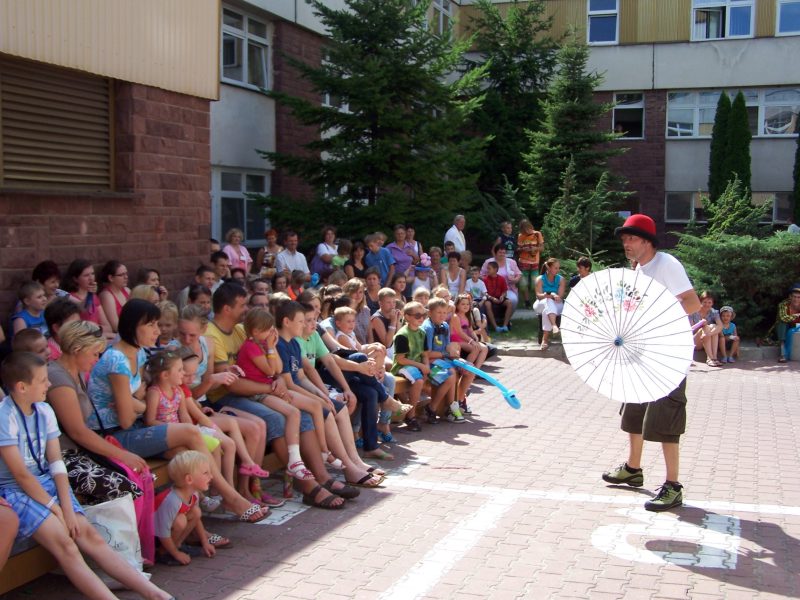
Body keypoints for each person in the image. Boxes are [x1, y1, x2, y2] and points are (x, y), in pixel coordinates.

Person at [0, 352, 173, 599]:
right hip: (16, 490)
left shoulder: (44, 410)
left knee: (90, 535)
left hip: (46, 482)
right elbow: (20, 475)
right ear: (21, 387)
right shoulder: (4, 416)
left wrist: (67, 508)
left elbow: (56, 463)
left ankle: (154, 594)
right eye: (43, 380)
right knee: (66, 545)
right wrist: (56, 509)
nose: (49, 384)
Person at [87, 299, 268, 523]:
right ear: (134, 326)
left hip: (136, 426)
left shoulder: (139, 354)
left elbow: (140, 399)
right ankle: (231, 498)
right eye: (151, 325)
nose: (158, 331)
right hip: (113, 436)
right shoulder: (116, 360)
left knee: (185, 453)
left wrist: (134, 403)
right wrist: (137, 405)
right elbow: (126, 419)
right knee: (190, 432)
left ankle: (193, 525)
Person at [205, 283, 352, 509]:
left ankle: (321, 477)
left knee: (303, 415)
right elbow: (232, 384)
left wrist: (276, 381)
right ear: (227, 308)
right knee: (276, 418)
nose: (246, 309)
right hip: (224, 398)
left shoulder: (241, 329)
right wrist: (270, 387)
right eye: (242, 305)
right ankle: (307, 486)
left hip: (258, 390)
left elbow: (271, 367)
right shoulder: (212, 335)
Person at [602, 213, 701, 512]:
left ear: (647, 241)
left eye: (631, 238)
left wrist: (658, 317)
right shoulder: (638, 270)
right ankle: (633, 469)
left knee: (665, 417)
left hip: (668, 356)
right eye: (624, 239)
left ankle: (673, 486)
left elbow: (692, 303)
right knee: (634, 410)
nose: (626, 244)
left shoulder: (666, 264)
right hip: (642, 353)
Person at [177, 305, 279, 508]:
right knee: (244, 431)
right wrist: (213, 380)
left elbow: (207, 385)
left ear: (203, 330)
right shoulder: (175, 351)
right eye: (182, 334)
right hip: (190, 408)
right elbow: (187, 393)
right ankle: (236, 493)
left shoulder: (207, 343)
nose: (187, 339)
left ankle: (250, 487)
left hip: (204, 404)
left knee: (258, 426)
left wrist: (226, 374)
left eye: (192, 335)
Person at [154, 450, 216, 565]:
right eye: (206, 473)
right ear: (189, 479)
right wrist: (176, 555)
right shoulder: (172, 500)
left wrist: (205, 542)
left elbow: (197, 520)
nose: (211, 476)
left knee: (196, 512)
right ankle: (163, 553)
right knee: (180, 521)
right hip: (155, 538)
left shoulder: (194, 494)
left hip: (165, 534)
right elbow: (162, 533)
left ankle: (177, 546)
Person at [420, 298, 463, 423]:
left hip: (442, 360)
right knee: (451, 375)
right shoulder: (428, 328)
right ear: (430, 313)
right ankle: (434, 408)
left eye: (445, 312)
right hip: (428, 363)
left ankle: (458, 402)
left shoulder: (445, 326)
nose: (442, 315)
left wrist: (454, 353)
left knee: (467, 369)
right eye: (439, 312)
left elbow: (447, 346)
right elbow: (427, 354)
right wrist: (446, 354)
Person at [390, 302, 429, 432]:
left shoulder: (422, 332)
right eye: (417, 315)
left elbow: (425, 354)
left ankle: (434, 408)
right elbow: (401, 359)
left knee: (443, 375)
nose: (421, 318)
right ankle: (411, 416)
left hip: (417, 365)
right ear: (407, 316)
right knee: (418, 381)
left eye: (424, 315)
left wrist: (426, 366)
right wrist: (421, 366)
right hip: (402, 366)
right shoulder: (402, 335)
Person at [449, 294, 488, 414]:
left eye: (467, 304)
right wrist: (471, 341)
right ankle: (466, 368)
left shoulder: (467, 315)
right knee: (475, 349)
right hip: (456, 340)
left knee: (484, 348)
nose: (465, 306)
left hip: (465, 339)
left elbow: (470, 330)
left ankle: (476, 371)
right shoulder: (455, 316)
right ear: (457, 305)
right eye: (463, 304)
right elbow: (459, 332)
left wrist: (475, 338)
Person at [61, 259, 112, 336]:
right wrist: (97, 329)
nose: (91, 278)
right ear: (75, 279)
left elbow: (108, 327)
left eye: (92, 274)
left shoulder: (94, 297)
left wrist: (96, 329)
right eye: (86, 275)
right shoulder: (70, 298)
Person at [534, 258, 566, 351]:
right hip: (540, 304)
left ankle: (545, 340)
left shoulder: (561, 280)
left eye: (558, 268)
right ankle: (554, 325)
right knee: (548, 301)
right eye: (555, 268)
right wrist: (550, 295)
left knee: (547, 310)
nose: (558, 270)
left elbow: (560, 297)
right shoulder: (540, 279)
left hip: (557, 305)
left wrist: (552, 296)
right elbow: (539, 296)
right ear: (549, 268)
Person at [480, 244, 522, 313]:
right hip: (490, 289)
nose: (502, 254)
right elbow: (481, 275)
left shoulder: (511, 262)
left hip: (508, 289)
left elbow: (519, 274)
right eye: (500, 252)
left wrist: (515, 280)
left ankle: (508, 316)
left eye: (504, 253)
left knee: (513, 300)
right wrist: (488, 280)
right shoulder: (488, 262)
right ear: (495, 253)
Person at [689, 291, 721, 367]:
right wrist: (700, 324)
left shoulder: (714, 312)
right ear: (700, 302)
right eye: (705, 302)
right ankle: (710, 359)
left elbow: (720, 326)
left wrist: (708, 334)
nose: (707, 305)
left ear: (712, 303)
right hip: (695, 340)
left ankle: (714, 358)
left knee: (713, 326)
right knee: (706, 327)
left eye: (709, 302)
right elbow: (690, 330)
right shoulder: (693, 312)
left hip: (706, 337)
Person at [43, 298, 81, 362]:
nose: (79, 329)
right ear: (56, 328)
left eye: (79, 324)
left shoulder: (79, 344)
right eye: (72, 325)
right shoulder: (49, 356)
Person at [517, 219, 545, 308]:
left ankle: (538, 300)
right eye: (524, 230)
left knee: (535, 283)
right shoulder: (520, 236)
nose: (527, 231)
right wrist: (522, 249)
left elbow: (542, 248)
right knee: (523, 283)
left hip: (534, 262)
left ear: (530, 226)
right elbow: (518, 249)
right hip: (523, 262)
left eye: (528, 229)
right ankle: (527, 302)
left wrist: (534, 249)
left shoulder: (537, 234)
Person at [98, 260, 130, 333]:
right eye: (121, 275)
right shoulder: (106, 296)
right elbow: (116, 327)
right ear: (111, 278)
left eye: (126, 273)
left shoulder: (127, 290)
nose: (126, 277)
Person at [483, 261, 513, 332]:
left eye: (489, 268)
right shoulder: (485, 279)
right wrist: (492, 298)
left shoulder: (501, 279)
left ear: (495, 269)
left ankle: (505, 325)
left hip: (499, 298)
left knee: (509, 303)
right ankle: (495, 326)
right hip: (490, 298)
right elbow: (484, 293)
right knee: (487, 304)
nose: (487, 270)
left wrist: (502, 296)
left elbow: (505, 291)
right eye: (487, 268)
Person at [776, 283, 800, 362]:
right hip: (785, 327)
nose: (796, 299)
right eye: (794, 296)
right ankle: (783, 353)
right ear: (790, 297)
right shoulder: (783, 304)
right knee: (782, 323)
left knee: (791, 331)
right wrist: (797, 315)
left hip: (797, 326)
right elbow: (783, 317)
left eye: (798, 297)